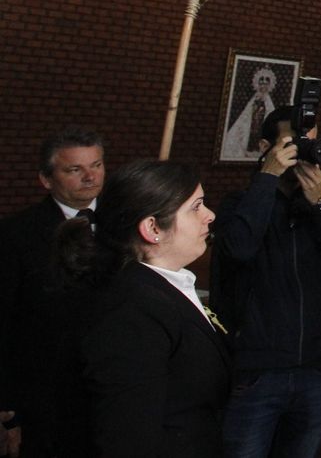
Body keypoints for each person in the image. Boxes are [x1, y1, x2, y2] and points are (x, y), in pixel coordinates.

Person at [211, 108, 321, 458]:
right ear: (265, 146)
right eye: (292, 145)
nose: (304, 153)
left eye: (310, 144)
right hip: (257, 371)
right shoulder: (240, 203)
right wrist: (266, 179)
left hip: (315, 368)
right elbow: (239, 250)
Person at [52, 159, 228, 458]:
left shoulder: (163, 287)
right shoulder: (131, 312)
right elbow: (127, 438)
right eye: (196, 206)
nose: (210, 216)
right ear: (152, 227)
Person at [0, 130, 105, 458]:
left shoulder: (126, 225)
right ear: (46, 179)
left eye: (97, 165)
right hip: (43, 397)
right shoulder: (16, 234)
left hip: (107, 392)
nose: (90, 176)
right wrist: (6, 408)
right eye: (74, 170)